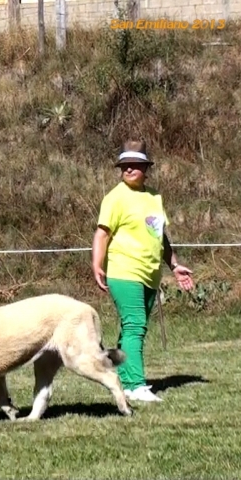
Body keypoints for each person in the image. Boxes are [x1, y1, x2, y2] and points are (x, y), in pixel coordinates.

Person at [91, 140, 194, 403]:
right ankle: (135, 385)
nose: (129, 169)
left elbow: (160, 236)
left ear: (146, 168)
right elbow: (102, 234)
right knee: (135, 325)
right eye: (125, 165)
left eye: (135, 164)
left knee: (132, 329)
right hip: (125, 271)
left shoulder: (154, 197)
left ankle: (123, 379)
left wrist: (174, 265)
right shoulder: (115, 198)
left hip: (150, 274)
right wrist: (97, 266)